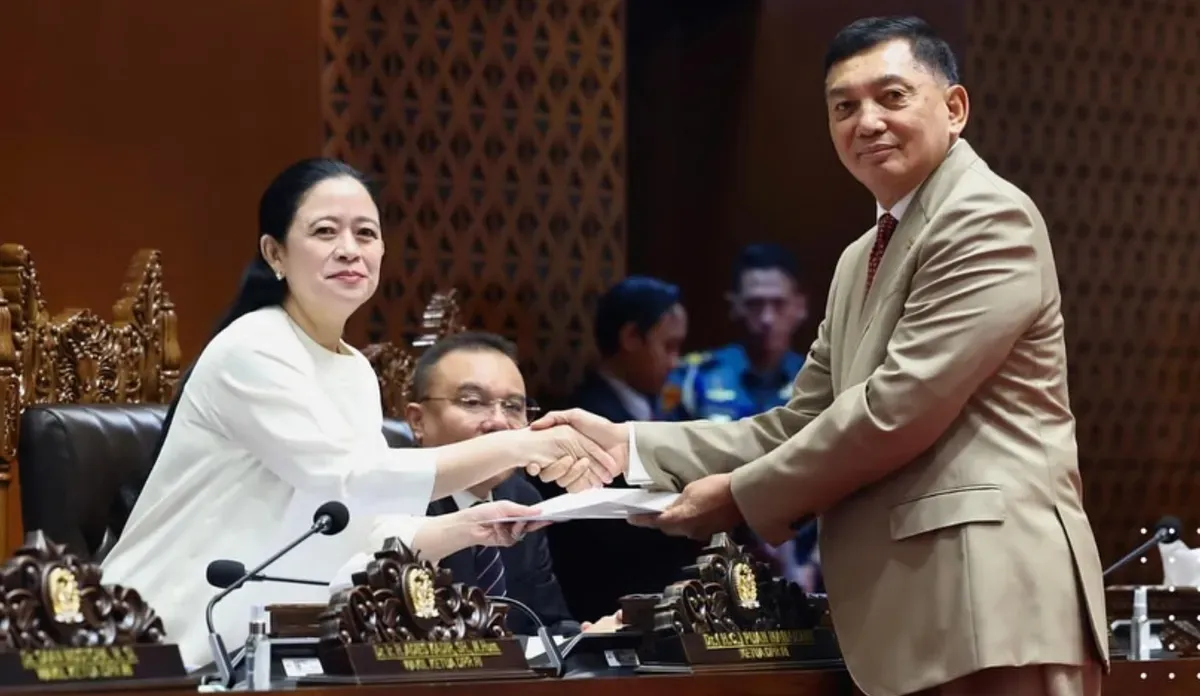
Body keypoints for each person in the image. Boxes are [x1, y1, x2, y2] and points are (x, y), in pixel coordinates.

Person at [530, 16, 1106, 696]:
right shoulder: (861, 257)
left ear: (954, 108)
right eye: (844, 106)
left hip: (994, 606)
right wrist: (629, 447)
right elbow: (796, 422)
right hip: (916, 616)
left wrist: (739, 496)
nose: (866, 121)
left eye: (891, 97)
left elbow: (897, 411)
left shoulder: (986, 217)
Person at [99, 158, 617, 668]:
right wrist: (522, 443)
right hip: (168, 638)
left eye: (366, 234)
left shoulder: (353, 370)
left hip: (276, 646)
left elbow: (359, 528)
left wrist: (472, 526)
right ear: (274, 252)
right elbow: (345, 480)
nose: (349, 250)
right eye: (325, 232)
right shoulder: (252, 347)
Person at [659, 242, 818, 591]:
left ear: (800, 307)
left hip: (801, 564)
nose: (766, 318)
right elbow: (664, 471)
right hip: (705, 563)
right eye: (754, 304)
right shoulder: (694, 378)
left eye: (777, 304)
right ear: (734, 306)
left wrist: (814, 563)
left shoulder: (818, 382)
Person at [545, 276, 703, 623]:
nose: (675, 362)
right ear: (632, 337)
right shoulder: (583, 419)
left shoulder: (675, 413)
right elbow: (607, 535)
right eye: (669, 346)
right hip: (608, 608)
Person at [406, 330, 577, 635]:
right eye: (473, 402)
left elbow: (548, 622)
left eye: (513, 407)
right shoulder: (398, 500)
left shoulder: (522, 497)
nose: (498, 421)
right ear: (418, 421)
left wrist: (587, 639)